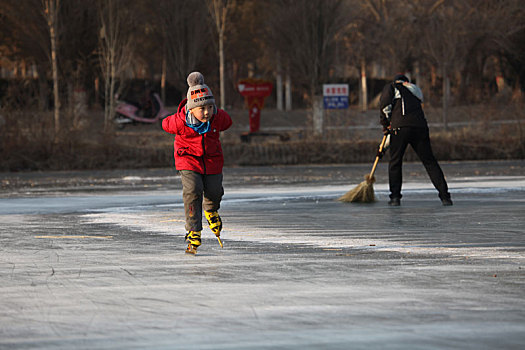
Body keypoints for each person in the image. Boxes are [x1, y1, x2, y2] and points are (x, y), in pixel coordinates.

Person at [162, 72, 233, 254]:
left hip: (212, 160)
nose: (207, 112)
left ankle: (211, 210)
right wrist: (180, 118)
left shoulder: (215, 118)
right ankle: (193, 230)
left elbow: (228, 122)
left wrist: (218, 113)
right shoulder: (181, 122)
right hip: (188, 160)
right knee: (193, 190)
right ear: (191, 109)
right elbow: (165, 124)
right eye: (202, 108)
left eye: (210, 107)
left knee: (215, 190)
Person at [379, 74, 452, 206]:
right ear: (407, 82)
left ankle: (395, 198)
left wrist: (386, 124)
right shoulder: (416, 89)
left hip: (400, 128)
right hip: (420, 127)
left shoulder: (391, 87)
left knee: (395, 162)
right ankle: (445, 197)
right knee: (430, 162)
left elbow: (384, 105)